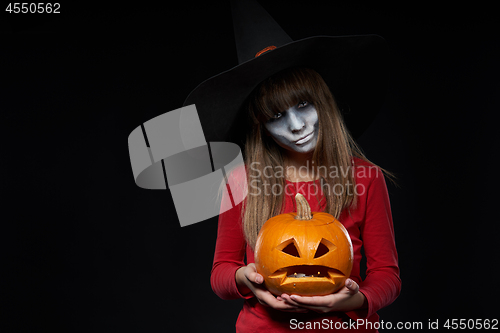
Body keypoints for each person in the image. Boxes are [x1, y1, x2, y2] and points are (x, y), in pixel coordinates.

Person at [210, 67, 401, 332]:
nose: (297, 125)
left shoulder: (365, 177)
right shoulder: (241, 181)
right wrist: (244, 278)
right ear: (262, 127)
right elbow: (221, 272)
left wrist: (352, 300)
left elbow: (387, 274)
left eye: (303, 104)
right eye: (276, 116)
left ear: (323, 103)